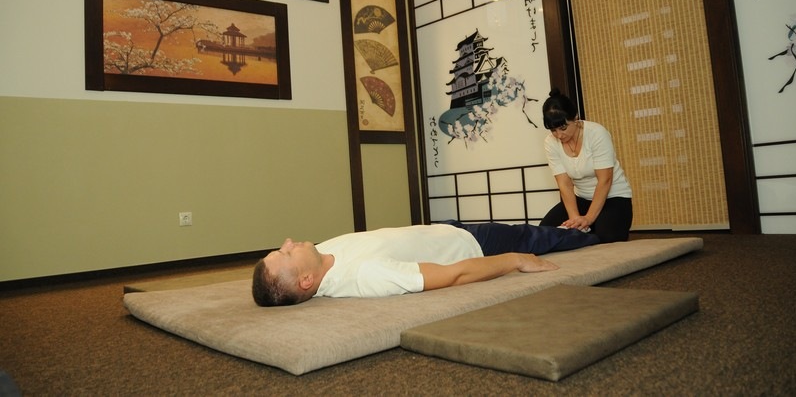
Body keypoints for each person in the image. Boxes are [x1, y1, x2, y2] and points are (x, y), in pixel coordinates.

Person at [251, 221, 600, 307]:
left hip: (442, 229)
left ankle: (576, 227)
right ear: (307, 281)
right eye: (286, 253)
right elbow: (452, 276)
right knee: (540, 238)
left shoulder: (320, 255)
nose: (288, 242)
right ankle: (599, 235)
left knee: (540, 231)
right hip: (472, 245)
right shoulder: (365, 275)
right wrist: (514, 261)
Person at [538, 88, 633, 243]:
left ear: (575, 117)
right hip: (581, 197)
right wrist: (575, 219)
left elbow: (605, 180)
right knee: (544, 232)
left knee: (607, 240)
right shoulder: (550, 142)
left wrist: (588, 218)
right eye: (553, 130)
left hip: (613, 196)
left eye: (563, 127)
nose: (559, 135)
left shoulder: (596, 133)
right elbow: (565, 184)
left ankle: (596, 226)